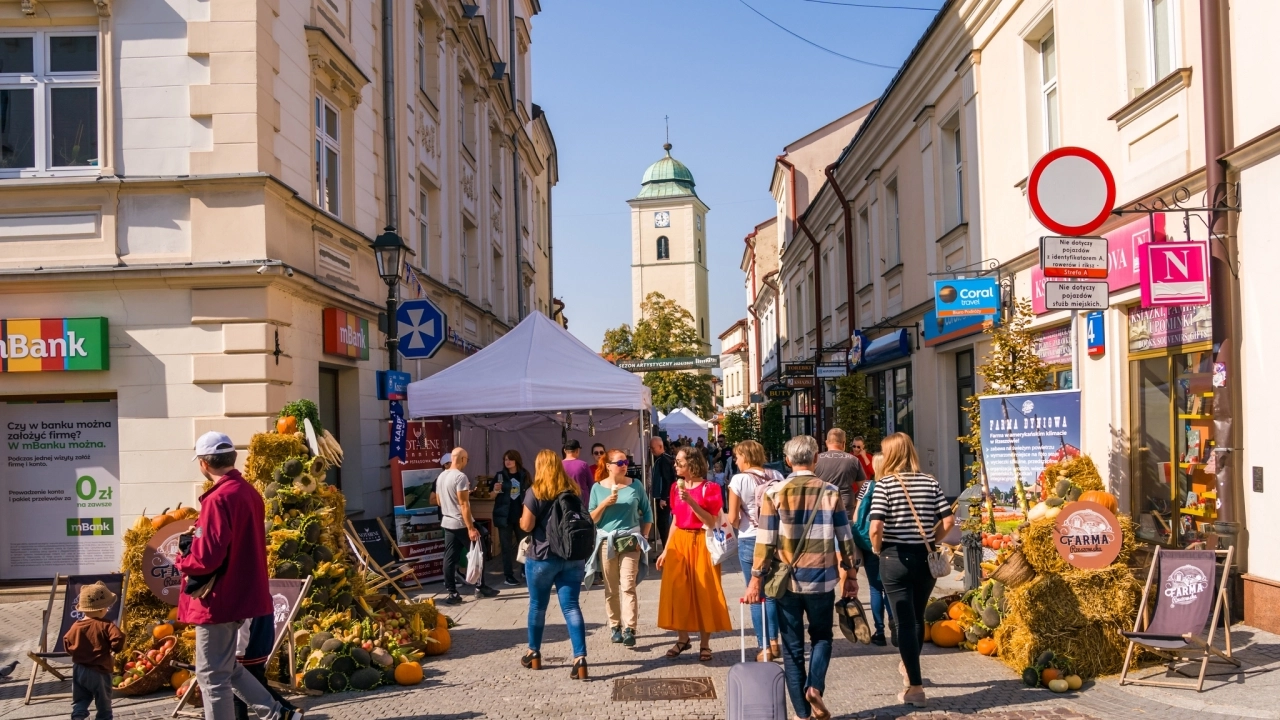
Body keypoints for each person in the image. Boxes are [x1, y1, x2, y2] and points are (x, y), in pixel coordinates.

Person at [175, 432, 297, 720]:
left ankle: (276, 713)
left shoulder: (218, 499)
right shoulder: (248, 492)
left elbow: (206, 558)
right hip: (242, 594)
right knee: (228, 666)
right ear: (233, 458)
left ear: (204, 464)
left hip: (217, 600)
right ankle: (277, 713)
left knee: (211, 676)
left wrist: (182, 558)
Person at [744, 435, 859, 720]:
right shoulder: (830, 492)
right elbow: (845, 537)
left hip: (787, 581)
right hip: (821, 578)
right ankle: (815, 686)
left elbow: (766, 540)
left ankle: (802, 714)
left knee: (793, 648)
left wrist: (756, 579)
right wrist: (851, 572)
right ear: (815, 458)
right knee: (822, 637)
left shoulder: (774, 492)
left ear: (787, 461)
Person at [869, 432, 954, 708]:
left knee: (904, 622)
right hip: (924, 558)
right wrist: (933, 539)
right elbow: (949, 519)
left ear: (890, 454)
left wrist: (876, 547)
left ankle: (915, 688)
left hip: (894, 558)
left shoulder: (885, 485)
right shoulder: (930, 482)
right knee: (917, 619)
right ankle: (909, 669)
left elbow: (876, 526)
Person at [519, 449, 590, 680]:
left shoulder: (535, 491)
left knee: (537, 606)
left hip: (542, 556)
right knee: (571, 606)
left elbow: (527, 526)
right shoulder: (572, 490)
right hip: (571, 556)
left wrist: (522, 519)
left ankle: (534, 653)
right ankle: (580, 659)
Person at [656, 446, 732, 662]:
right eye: (676, 462)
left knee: (704, 590)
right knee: (677, 589)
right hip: (679, 540)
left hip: (702, 540)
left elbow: (710, 521)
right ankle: (683, 638)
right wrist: (665, 548)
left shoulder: (711, 488)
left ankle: (705, 644)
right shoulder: (674, 487)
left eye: (679, 461)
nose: (675, 465)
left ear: (692, 463)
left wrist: (691, 501)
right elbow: (675, 521)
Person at [586, 449, 652, 648]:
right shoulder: (597, 488)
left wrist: (644, 537)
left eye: (626, 462)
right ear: (608, 466)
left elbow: (648, 513)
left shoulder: (636, 485)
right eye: (620, 462)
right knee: (611, 588)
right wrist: (605, 503)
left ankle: (630, 629)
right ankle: (615, 626)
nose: (624, 465)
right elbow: (593, 518)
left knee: (628, 586)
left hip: (630, 540)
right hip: (606, 541)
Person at [726, 439, 784, 661]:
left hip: (750, 538)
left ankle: (763, 647)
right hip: (775, 539)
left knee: (753, 593)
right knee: (772, 593)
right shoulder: (777, 476)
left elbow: (732, 517)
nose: (736, 460)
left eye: (738, 456)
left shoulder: (739, 480)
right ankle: (774, 641)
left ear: (746, 457)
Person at [437, 447, 499, 605]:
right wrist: (471, 528)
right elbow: (464, 505)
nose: (467, 463)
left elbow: (438, 501)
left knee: (449, 557)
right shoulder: (460, 477)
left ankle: (452, 592)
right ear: (462, 459)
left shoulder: (441, 476)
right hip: (461, 523)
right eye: (467, 459)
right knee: (479, 552)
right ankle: (480, 587)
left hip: (447, 521)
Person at [64, 581, 124, 720]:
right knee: (103, 701)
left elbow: (67, 643)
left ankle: (78, 715)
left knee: (81, 698)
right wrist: (115, 648)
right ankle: (104, 717)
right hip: (99, 670)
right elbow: (118, 638)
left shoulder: (76, 626)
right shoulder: (105, 625)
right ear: (102, 609)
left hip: (79, 669)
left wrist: (78, 653)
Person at [854, 453, 894, 646]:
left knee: (875, 588)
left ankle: (879, 632)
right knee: (891, 588)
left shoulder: (868, 487)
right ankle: (895, 623)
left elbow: (856, 515)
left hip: (871, 542)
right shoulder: (895, 485)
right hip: (893, 543)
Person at [234, 615, 297, 720]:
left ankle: (287, 711)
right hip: (259, 647)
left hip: (248, 650)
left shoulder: (245, 599)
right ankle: (288, 711)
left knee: (239, 690)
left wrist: (238, 653)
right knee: (257, 685)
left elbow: (243, 627)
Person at [493, 450, 531, 586]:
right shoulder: (500, 476)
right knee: (506, 547)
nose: (507, 462)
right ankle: (508, 575)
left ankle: (524, 570)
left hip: (521, 515)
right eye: (505, 459)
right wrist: (496, 490)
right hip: (504, 516)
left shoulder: (524, 474)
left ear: (516, 460)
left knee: (525, 545)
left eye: (510, 459)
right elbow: (492, 496)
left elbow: (530, 492)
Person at [814, 427, 866, 520]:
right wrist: (855, 502)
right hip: (846, 510)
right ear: (843, 443)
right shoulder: (853, 460)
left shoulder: (816, 460)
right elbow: (863, 488)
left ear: (826, 442)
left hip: (822, 509)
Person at [649, 437, 676, 545]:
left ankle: (667, 550)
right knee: (662, 523)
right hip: (663, 496)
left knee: (663, 523)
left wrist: (663, 498)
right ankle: (667, 550)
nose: (651, 450)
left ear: (660, 447)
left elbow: (666, 479)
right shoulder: (664, 458)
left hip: (663, 497)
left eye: (652, 448)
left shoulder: (664, 459)